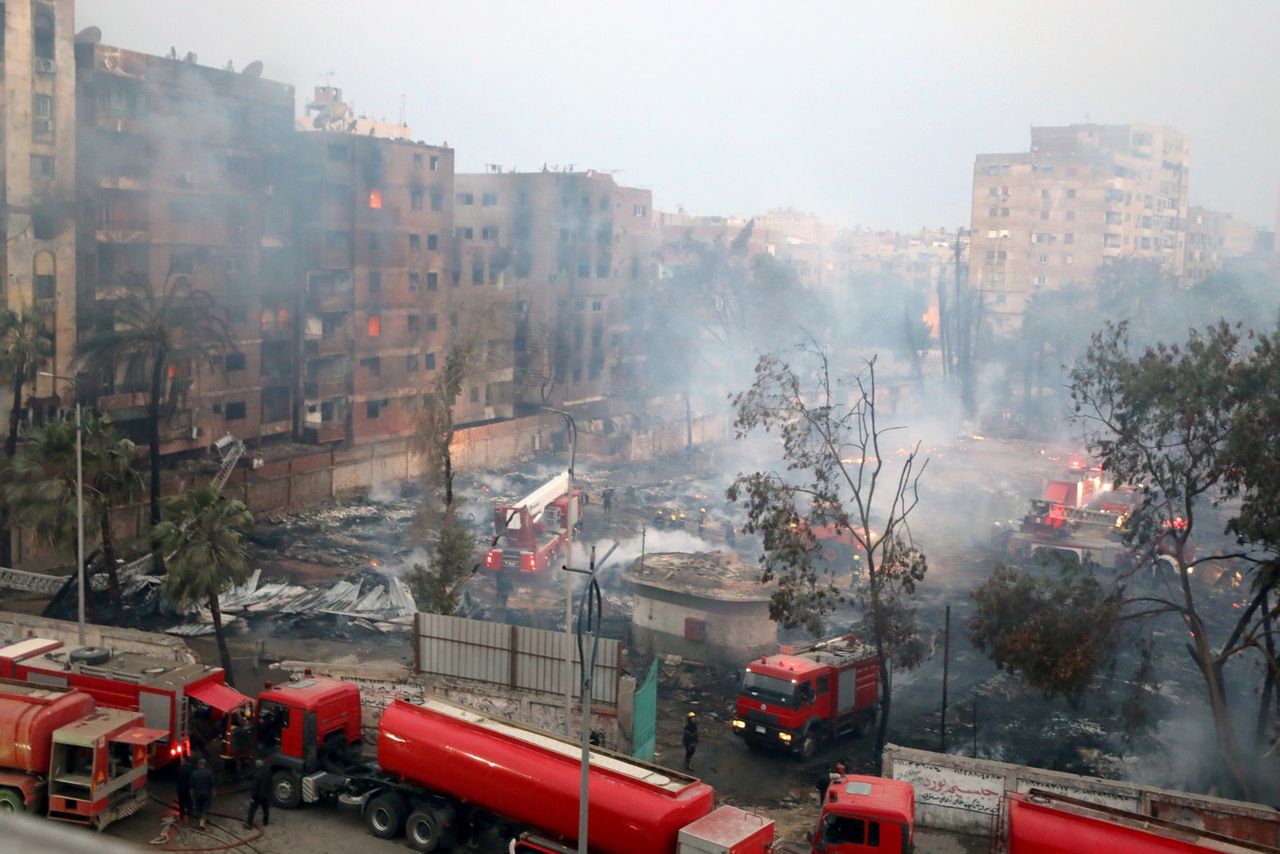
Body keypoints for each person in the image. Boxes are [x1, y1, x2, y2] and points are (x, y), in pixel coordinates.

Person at [245, 759, 271, 830]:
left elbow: (255, 788)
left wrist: (252, 797)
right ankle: (265, 822)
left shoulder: (257, 775)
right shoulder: (268, 773)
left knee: (252, 809)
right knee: (266, 809)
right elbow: (270, 783)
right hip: (265, 796)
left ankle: (249, 824)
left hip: (257, 796)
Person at [190, 757, 214, 829]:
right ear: (204, 764)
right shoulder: (209, 773)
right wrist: (213, 791)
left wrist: (191, 793)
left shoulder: (194, 773)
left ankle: (198, 816)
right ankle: (202, 822)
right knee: (205, 807)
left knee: (198, 806)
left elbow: (191, 785)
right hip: (206, 793)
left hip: (197, 793)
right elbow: (212, 783)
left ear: (198, 764)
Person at [175, 754, 193, 823]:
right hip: (187, 789)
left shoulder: (179, 768)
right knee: (189, 801)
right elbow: (191, 780)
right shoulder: (190, 770)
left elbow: (176, 777)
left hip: (180, 788)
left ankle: (181, 815)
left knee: (181, 802)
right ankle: (189, 814)